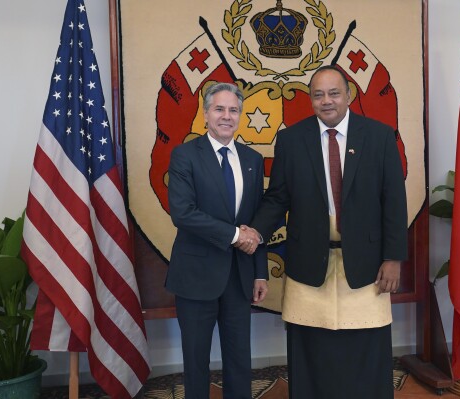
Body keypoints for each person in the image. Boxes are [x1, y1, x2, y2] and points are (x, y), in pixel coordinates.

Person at [248, 65, 408, 398]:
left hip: (366, 264)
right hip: (310, 263)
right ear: (310, 100)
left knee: (366, 347)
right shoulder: (292, 139)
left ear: (349, 95)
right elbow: (278, 197)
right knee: (312, 349)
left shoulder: (379, 136)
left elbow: (393, 201)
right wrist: (254, 232)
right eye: (318, 94)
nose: (327, 101)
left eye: (334, 93)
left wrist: (393, 258)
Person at [165, 82, 268, 399]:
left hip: (239, 277)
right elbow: (183, 213)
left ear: (240, 115)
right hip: (196, 277)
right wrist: (236, 236)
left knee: (240, 359)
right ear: (206, 114)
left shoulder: (252, 159)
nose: (227, 116)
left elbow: (255, 222)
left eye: (233, 110)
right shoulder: (184, 155)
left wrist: (260, 271)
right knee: (196, 361)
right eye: (219, 109)